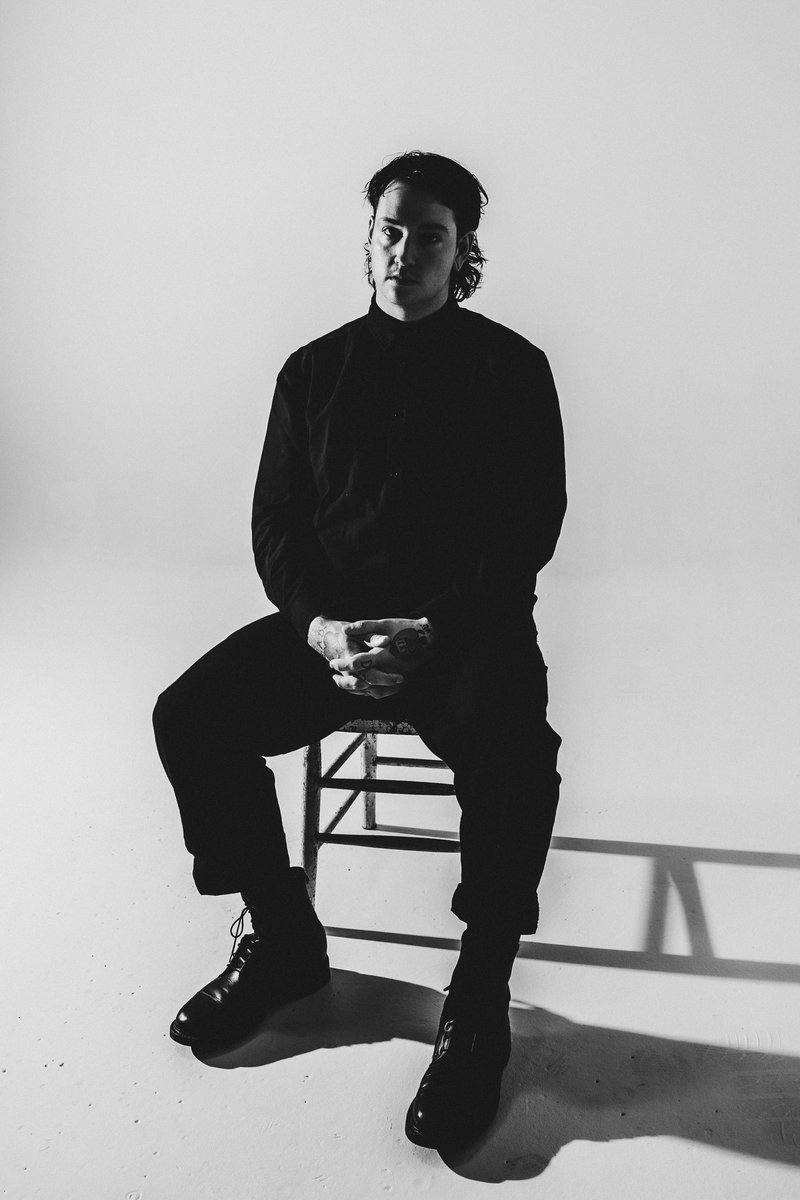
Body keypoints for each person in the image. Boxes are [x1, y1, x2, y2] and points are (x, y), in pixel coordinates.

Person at [153, 150, 567, 1149]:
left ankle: (478, 995)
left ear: (463, 253)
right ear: (369, 238)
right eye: (391, 228)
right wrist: (322, 629)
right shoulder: (312, 371)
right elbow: (277, 529)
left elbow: (527, 527)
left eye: (431, 235)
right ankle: (283, 939)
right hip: (332, 632)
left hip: (463, 633)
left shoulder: (512, 369)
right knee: (189, 714)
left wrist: (433, 631)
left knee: (517, 753)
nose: (405, 250)